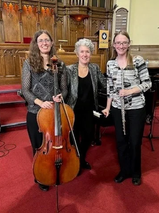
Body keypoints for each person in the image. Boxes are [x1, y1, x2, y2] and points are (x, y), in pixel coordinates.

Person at [102, 31, 152, 186]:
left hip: (136, 108)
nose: (121, 46)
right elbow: (110, 88)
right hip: (117, 108)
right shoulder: (111, 64)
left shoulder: (137, 61)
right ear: (114, 45)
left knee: (135, 141)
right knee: (121, 141)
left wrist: (129, 91)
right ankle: (124, 170)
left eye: (124, 43)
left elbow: (147, 83)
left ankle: (136, 172)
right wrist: (108, 107)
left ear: (129, 44)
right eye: (118, 43)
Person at [21, 30, 68, 191]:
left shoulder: (60, 64)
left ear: (51, 42)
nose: (44, 43)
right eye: (40, 40)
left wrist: (60, 97)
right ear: (36, 44)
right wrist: (41, 102)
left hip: (54, 112)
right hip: (35, 112)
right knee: (38, 147)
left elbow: (64, 89)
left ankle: (55, 171)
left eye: (47, 40)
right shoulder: (29, 63)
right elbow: (25, 90)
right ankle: (40, 175)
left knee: (54, 145)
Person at [66, 38, 106, 171]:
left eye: (87, 51)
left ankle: (80, 158)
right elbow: (64, 90)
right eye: (82, 51)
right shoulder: (69, 70)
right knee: (74, 139)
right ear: (77, 54)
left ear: (91, 53)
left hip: (90, 111)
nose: (85, 54)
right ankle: (77, 163)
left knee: (88, 136)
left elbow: (104, 84)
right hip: (73, 110)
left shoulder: (94, 68)